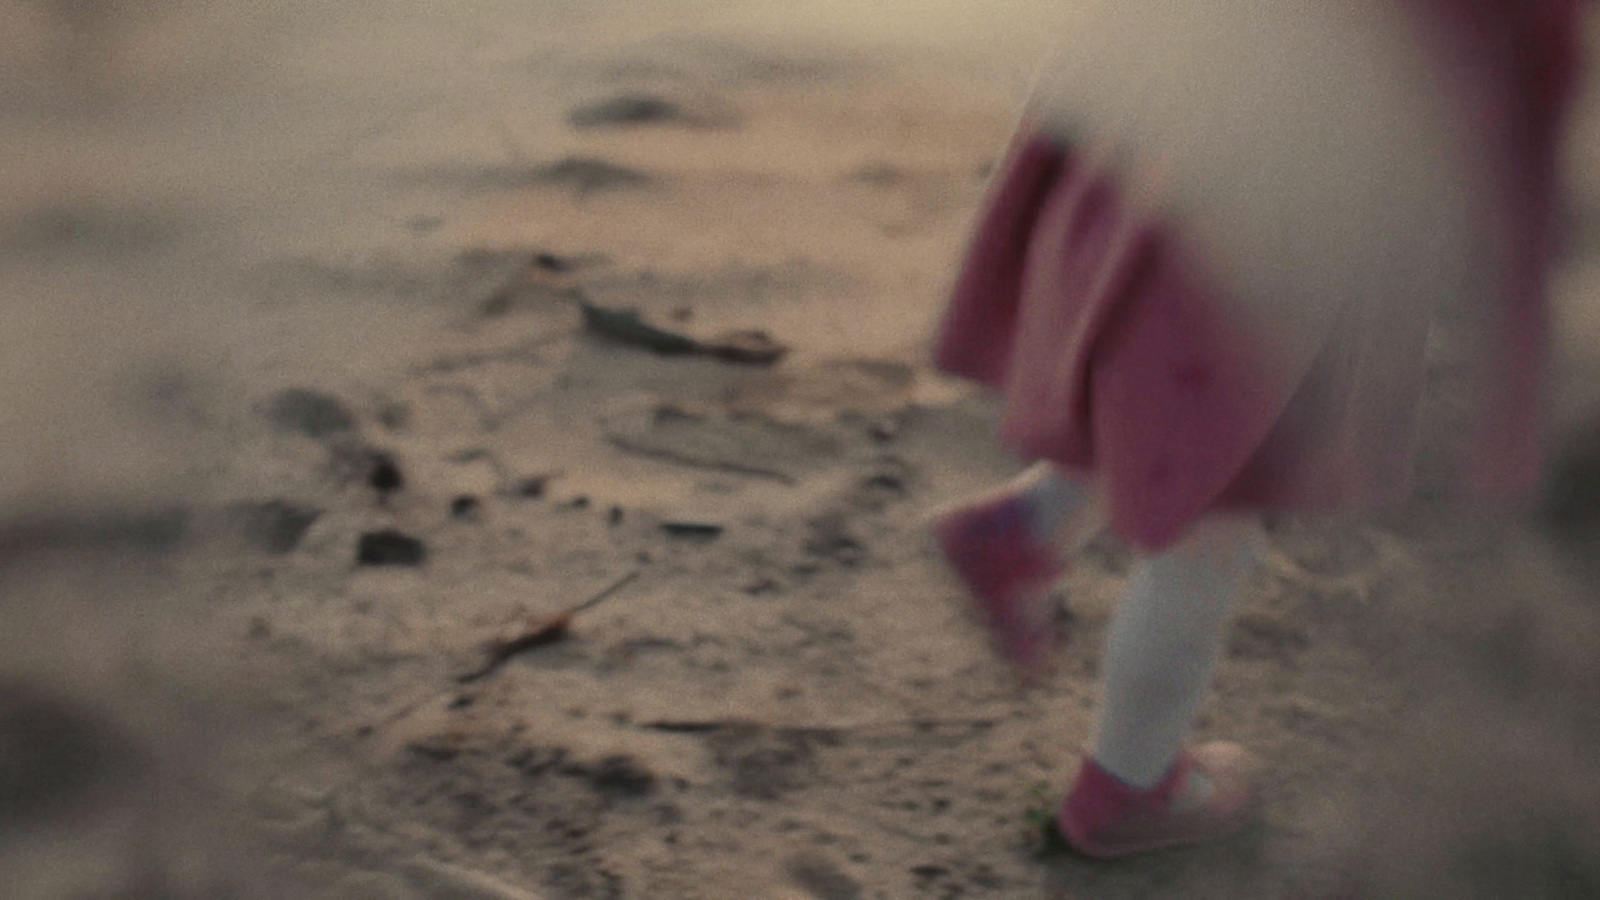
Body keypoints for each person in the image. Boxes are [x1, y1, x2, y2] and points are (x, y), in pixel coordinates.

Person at [931, 0, 1586, 859]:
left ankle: (1023, 529)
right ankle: (1128, 785)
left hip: (1159, 155)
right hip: (1268, 235)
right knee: (1214, 519)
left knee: (1155, 410)